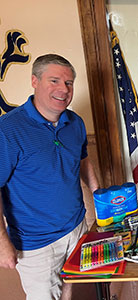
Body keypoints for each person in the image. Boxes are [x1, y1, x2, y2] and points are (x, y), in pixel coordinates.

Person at [0, 54, 99, 300]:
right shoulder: (7, 129)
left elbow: (83, 159)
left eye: (68, 83)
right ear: (34, 81)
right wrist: (2, 243)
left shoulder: (75, 122)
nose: (63, 90)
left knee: (68, 284)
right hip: (35, 242)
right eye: (54, 81)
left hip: (76, 226)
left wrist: (99, 197)